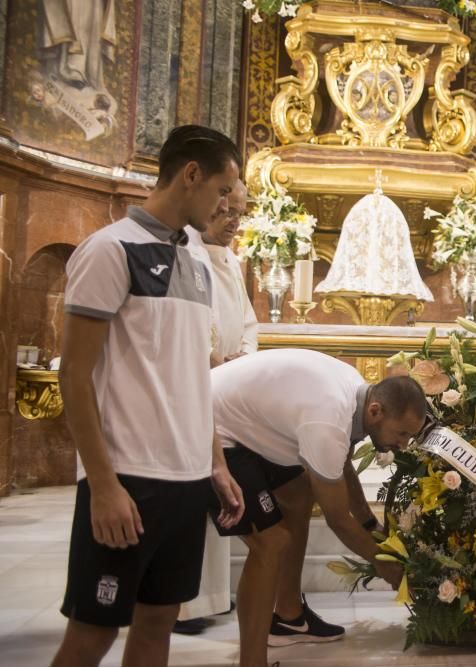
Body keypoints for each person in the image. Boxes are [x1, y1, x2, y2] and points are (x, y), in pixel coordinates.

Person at [51, 124, 245, 667]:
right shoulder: (108, 250)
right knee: (93, 633)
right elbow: (75, 375)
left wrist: (215, 463)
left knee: (159, 620)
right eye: (223, 189)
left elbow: (192, 375)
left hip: (186, 479)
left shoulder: (199, 261)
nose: (227, 204)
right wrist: (103, 485)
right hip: (129, 477)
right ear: (190, 175)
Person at [209, 348, 426, 667]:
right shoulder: (330, 417)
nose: (404, 444)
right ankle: (252, 662)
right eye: (402, 433)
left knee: (298, 493)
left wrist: (371, 525)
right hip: (209, 430)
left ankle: (289, 616)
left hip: (244, 427)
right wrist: (385, 566)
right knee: (270, 543)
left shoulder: (356, 392)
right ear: (376, 411)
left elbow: (342, 467)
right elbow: (338, 519)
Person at [175, 180, 257, 635]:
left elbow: (247, 319)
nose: (234, 223)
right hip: (195, 381)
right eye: (228, 212)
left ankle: (208, 595)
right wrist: (213, 358)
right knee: (196, 487)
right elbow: (192, 320)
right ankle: (184, 604)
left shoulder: (232, 262)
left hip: (223, 385)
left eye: (241, 215)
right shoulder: (185, 255)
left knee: (218, 492)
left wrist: (243, 355)